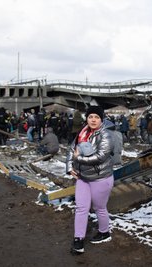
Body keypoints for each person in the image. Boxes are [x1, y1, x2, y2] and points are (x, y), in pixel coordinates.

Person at [66, 105, 115, 255]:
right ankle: (78, 240)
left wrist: (78, 159)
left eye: (97, 117)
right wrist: (69, 167)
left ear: (101, 119)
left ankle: (104, 232)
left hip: (100, 178)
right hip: (83, 178)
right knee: (81, 208)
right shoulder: (82, 133)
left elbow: (101, 157)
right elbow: (71, 149)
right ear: (86, 118)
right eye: (90, 117)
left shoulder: (105, 135)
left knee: (99, 208)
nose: (93, 120)